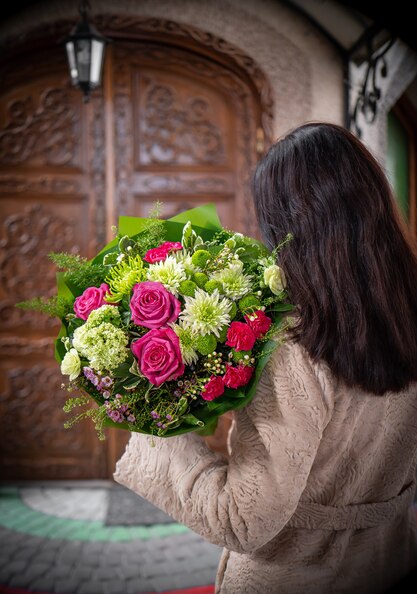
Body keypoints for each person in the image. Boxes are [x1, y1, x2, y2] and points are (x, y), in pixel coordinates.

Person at [114, 122, 417, 593]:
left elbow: (243, 518)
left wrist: (158, 433)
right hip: (391, 558)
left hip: (294, 577)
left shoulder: (294, 344)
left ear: (289, 226)